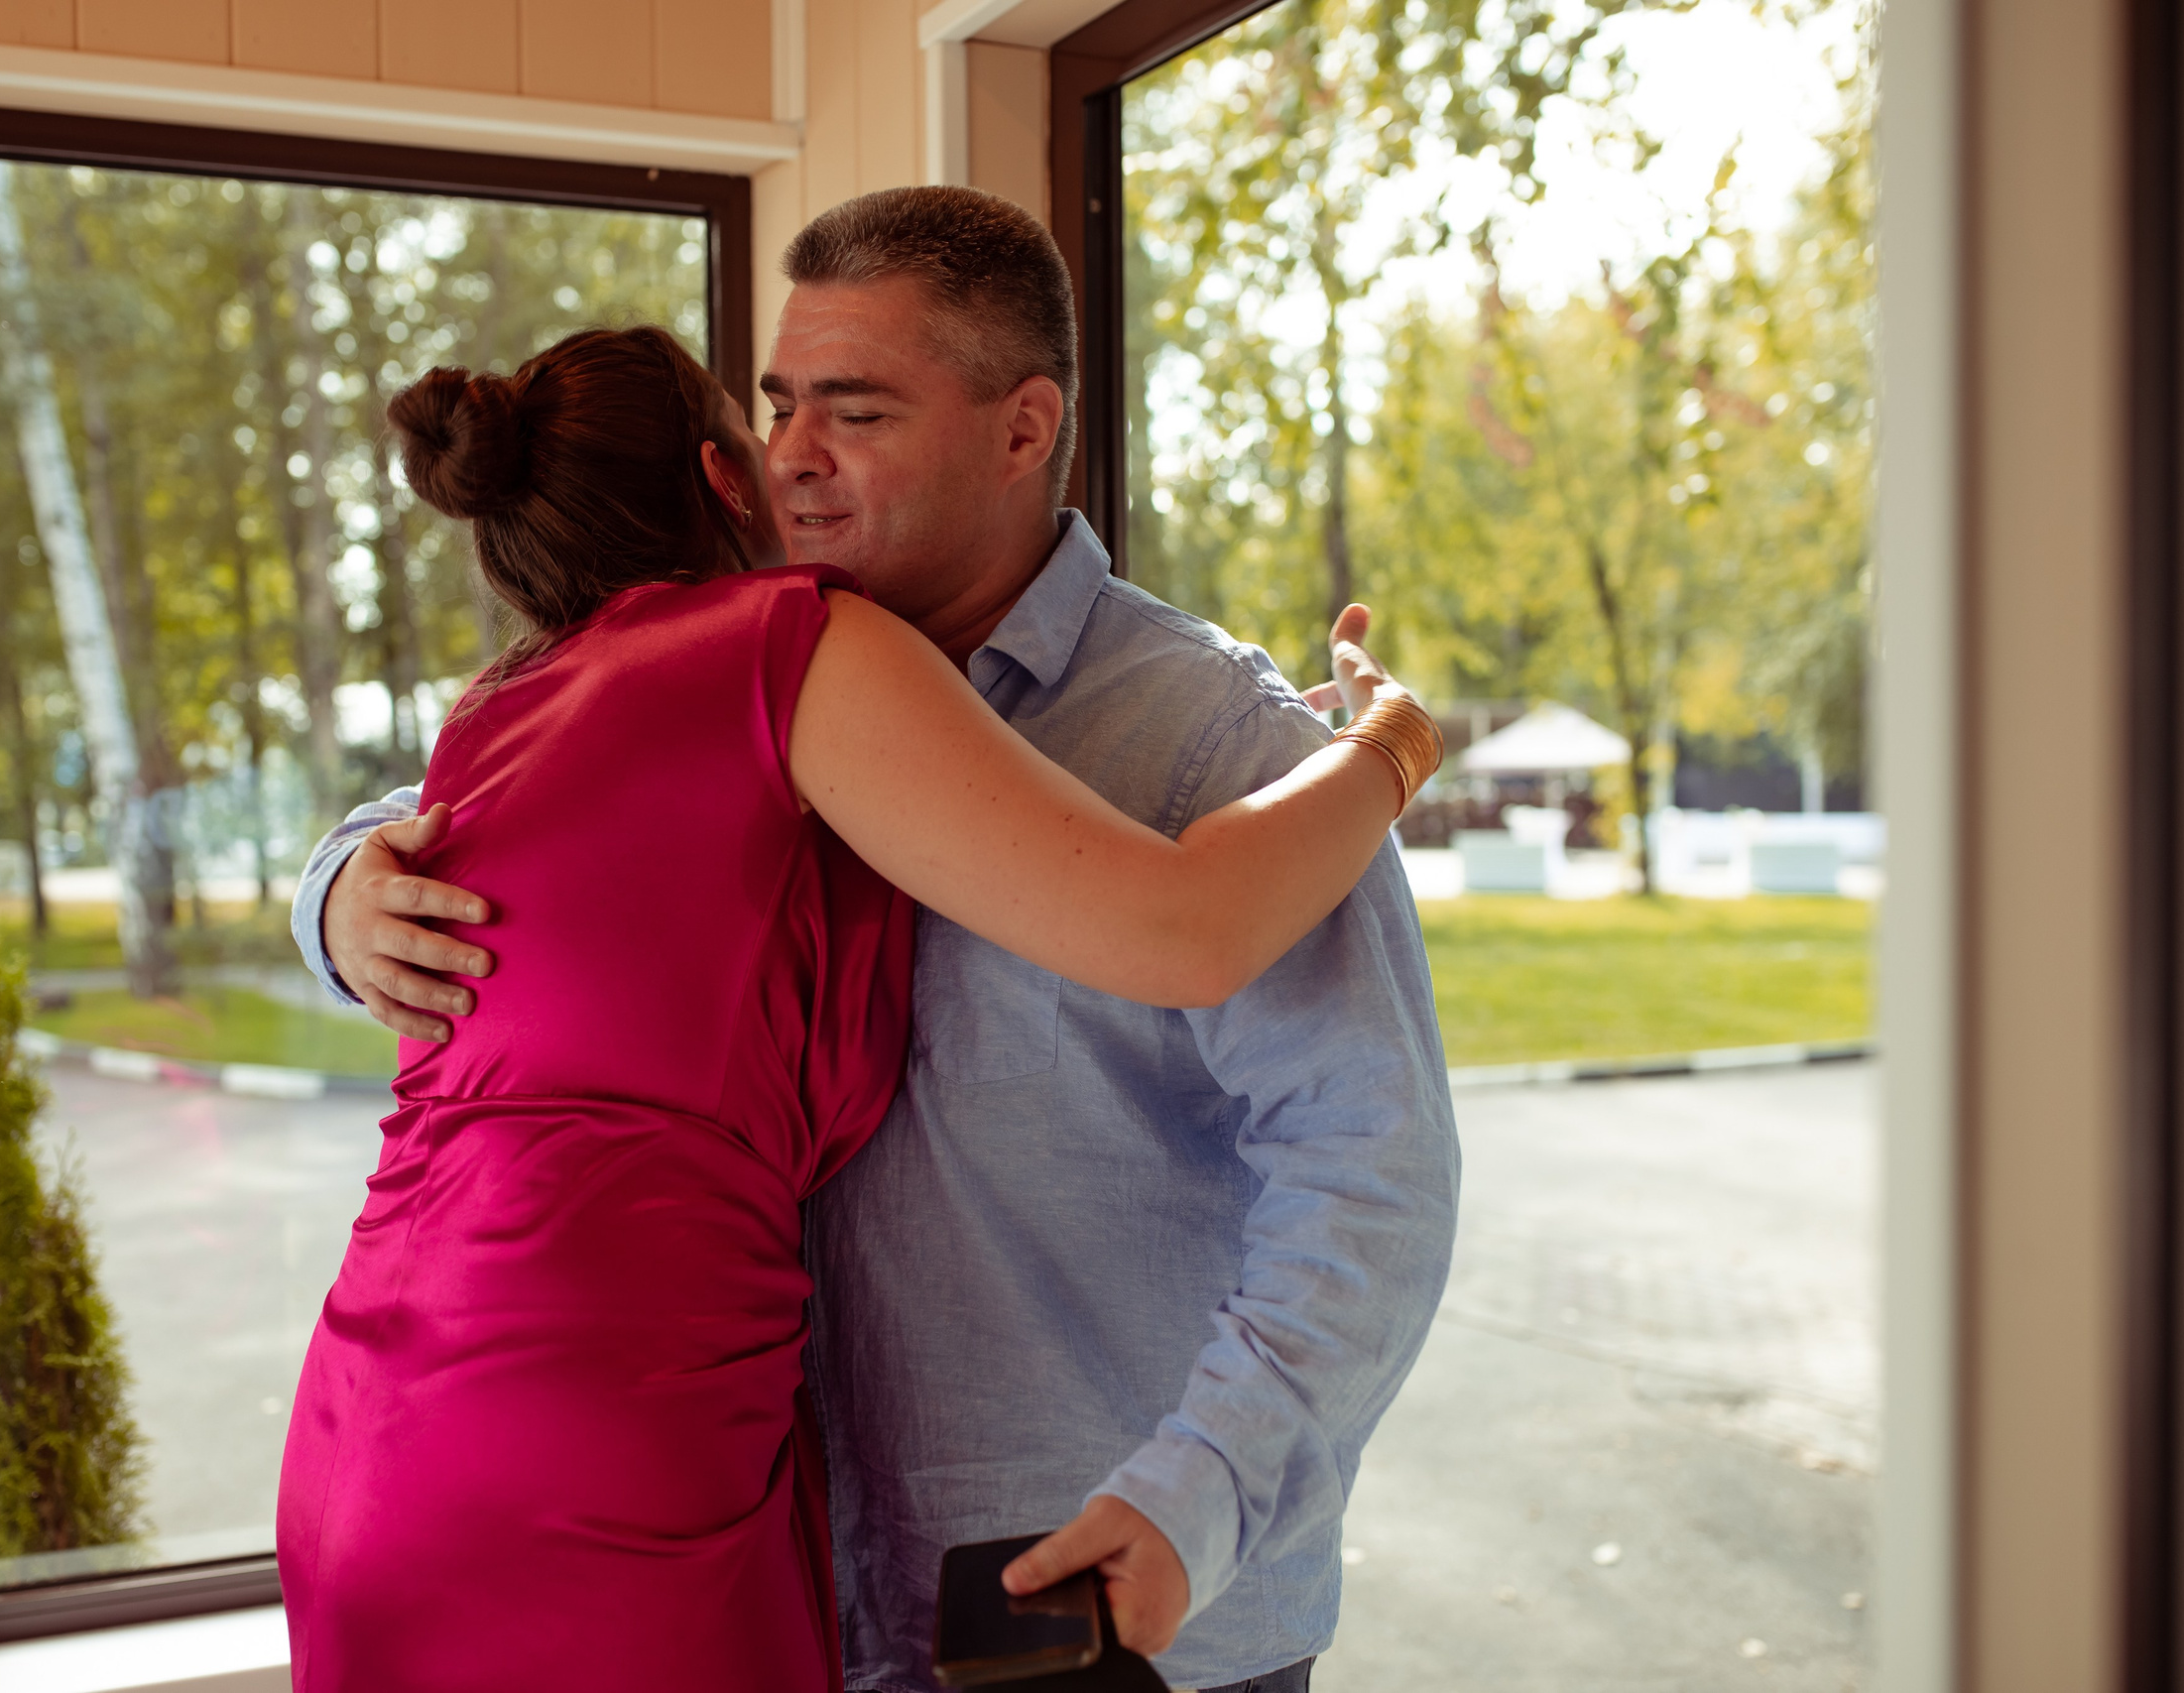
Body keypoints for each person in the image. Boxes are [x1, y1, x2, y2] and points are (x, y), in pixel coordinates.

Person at [293, 188, 1460, 1693]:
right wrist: (337, 890)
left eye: (856, 412)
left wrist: (1197, 1498)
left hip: (1098, 1614)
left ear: (1024, 428)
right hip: (778, 1588)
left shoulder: (1216, 742)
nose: (791, 457)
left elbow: (1375, 1182)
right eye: (779, 408)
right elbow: (464, 805)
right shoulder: (731, 671)